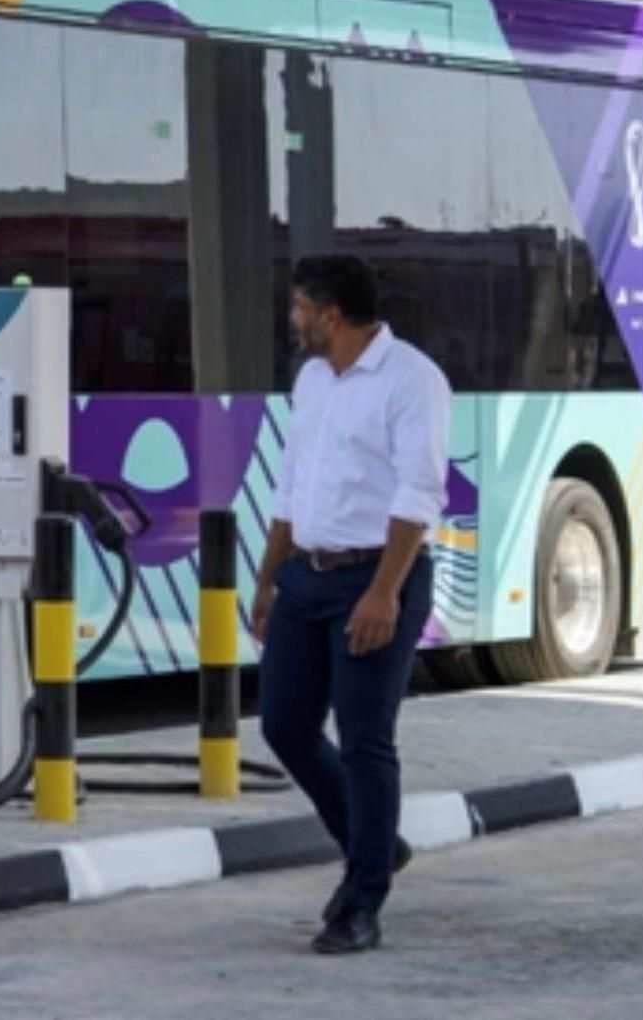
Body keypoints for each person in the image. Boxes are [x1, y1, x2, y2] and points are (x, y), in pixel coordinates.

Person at [253, 253, 448, 955]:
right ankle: (376, 845)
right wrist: (267, 580)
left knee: (365, 740)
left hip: (375, 577)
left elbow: (418, 494)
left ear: (330, 315)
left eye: (300, 307)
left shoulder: (412, 380)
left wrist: (383, 594)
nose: (293, 319)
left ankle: (362, 901)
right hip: (306, 575)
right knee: (284, 725)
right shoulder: (312, 380)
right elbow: (291, 485)